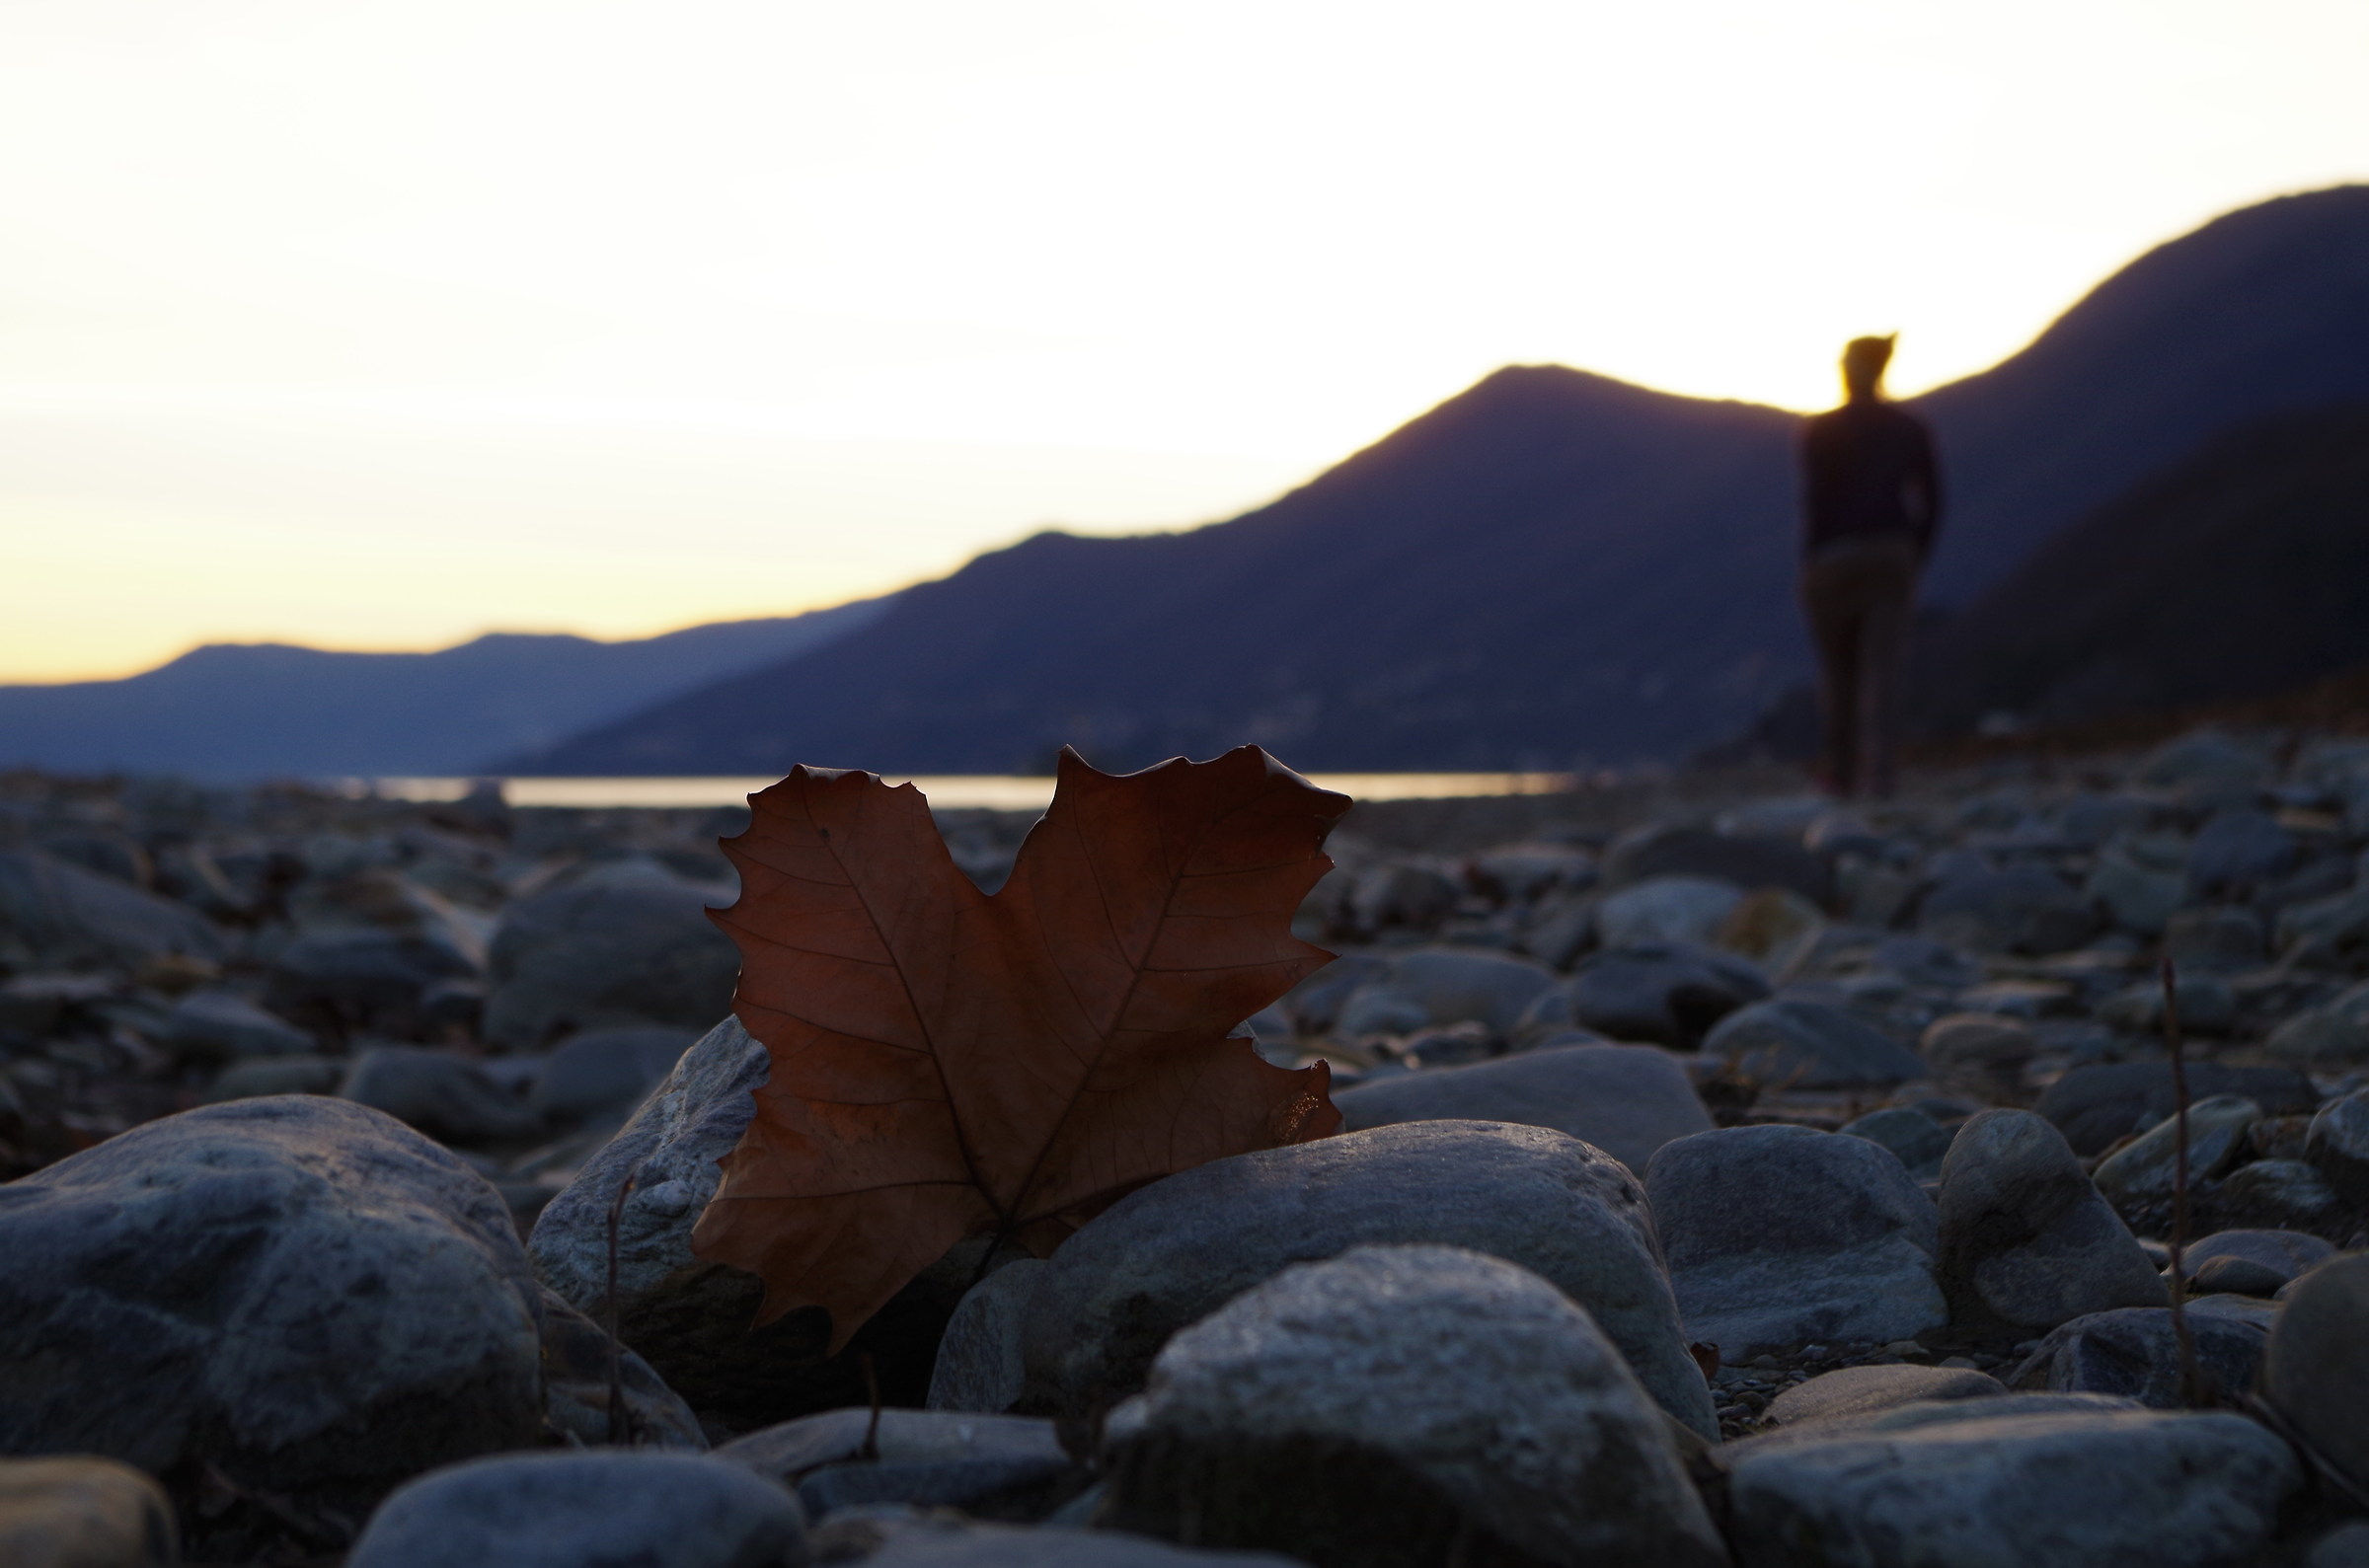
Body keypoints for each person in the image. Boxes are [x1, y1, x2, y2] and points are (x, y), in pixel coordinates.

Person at [1796, 335, 1940, 797]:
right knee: (1881, 669)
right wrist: (1914, 552)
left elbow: (1815, 505)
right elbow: (1933, 499)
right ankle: (1879, 776)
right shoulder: (1908, 428)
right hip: (1890, 555)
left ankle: (1840, 775)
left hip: (1835, 558)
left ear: (1854, 369)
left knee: (1839, 672)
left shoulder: (1823, 431)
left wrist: (1812, 562)